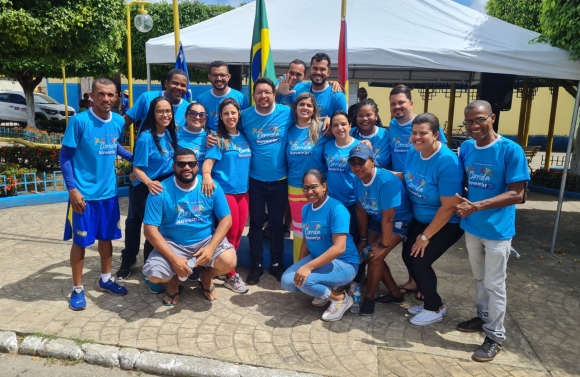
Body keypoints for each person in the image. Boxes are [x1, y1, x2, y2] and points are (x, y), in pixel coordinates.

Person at [455, 100, 529, 362]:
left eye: (479, 120)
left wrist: (477, 205)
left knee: (494, 284)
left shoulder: (510, 150)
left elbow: (518, 194)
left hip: (498, 230)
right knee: (478, 279)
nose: (474, 126)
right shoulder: (466, 147)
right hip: (472, 227)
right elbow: (462, 179)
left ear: (492, 118)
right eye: (469, 121)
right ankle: (483, 318)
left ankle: (495, 336)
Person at [59, 78, 133, 310]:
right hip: (84, 196)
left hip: (108, 194)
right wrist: (73, 190)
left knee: (106, 238)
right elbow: (65, 157)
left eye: (111, 95)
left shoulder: (119, 121)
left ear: (117, 97)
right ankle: (78, 289)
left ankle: (105, 279)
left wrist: (134, 158)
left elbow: (113, 145)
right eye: (101, 94)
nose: (106, 99)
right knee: (81, 242)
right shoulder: (80, 121)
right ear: (91, 95)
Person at [142, 148, 237, 305]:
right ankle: (173, 282)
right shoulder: (160, 191)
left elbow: (226, 219)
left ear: (197, 166)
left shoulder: (211, 187)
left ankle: (206, 277)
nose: (187, 167)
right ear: (174, 167)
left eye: (191, 163)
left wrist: (211, 247)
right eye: (181, 164)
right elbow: (149, 230)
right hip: (173, 243)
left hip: (205, 241)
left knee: (229, 261)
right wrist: (173, 259)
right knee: (154, 274)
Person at [402, 113, 464, 326]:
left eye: (423, 133)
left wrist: (425, 236)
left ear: (436, 135)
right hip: (421, 217)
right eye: (414, 133)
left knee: (420, 261)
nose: (417, 137)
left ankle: (434, 308)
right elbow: (406, 176)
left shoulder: (447, 162)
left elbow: (449, 206)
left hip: (446, 222)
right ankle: (431, 300)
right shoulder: (413, 151)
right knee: (408, 256)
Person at [388, 84, 447, 300]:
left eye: (401, 102)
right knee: (408, 243)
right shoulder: (393, 126)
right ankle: (414, 281)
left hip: (429, 193)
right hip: (407, 191)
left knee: (420, 249)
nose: (397, 106)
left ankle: (424, 286)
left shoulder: (425, 126)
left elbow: (441, 153)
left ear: (411, 103)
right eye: (393, 103)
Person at [116, 97, 178, 294]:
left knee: (159, 229)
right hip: (146, 187)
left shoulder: (169, 134)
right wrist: (149, 182)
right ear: (152, 113)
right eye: (160, 111)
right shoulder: (145, 138)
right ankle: (141, 267)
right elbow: (138, 168)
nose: (165, 115)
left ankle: (155, 266)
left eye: (168, 111)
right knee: (150, 229)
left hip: (162, 186)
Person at [281, 169, 360, 322]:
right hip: (318, 259)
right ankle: (324, 292)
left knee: (306, 281)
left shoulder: (337, 209)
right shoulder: (306, 209)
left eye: (314, 186)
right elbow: (306, 241)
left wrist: (308, 268)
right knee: (288, 281)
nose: (309, 191)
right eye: (306, 187)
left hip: (345, 263)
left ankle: (341, 298)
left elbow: (339, 247)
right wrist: (300, 266)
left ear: (324, 186)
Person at [239, 77, 294, 285]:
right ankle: (256, 265)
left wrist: (326, 120)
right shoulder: (245, 116)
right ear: (253, 96)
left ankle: (277, 263)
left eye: (267, 92)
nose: (263, 96)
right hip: (255, 181)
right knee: (255, 224)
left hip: (280, 181)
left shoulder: (286, 113)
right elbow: (228, 129)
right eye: (259, 92)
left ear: (274, 94)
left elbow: (311, 117)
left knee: (277, 225)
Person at [348, 143, 414, 316]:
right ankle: (396, 293)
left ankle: (369, 298)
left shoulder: (386, 181)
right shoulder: (357, 179)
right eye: (353, 163)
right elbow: (361, 210)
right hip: (376, 218)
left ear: (372, 160)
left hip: (399, 220)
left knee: (376, 257)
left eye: (361, 162)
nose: (357, 167)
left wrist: (383, 245)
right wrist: (363, 239)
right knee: (368, 253)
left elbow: (389, 218)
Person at [201, 98, 251, 294]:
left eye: (233, 112)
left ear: (239, 114)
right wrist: (206, 176)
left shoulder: (244, 136)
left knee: (239, 232)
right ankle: (230, 274)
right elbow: (208, 164)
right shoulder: (218, 138)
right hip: (226, 192)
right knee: (229, 233)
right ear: (220, 117)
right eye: (226, 113)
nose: (230, 116)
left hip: (243, 192)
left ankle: (225, 266)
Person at [286, 93, 330, 262]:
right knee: (298, 231)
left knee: (318, 230)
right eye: (302, 104)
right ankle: (298, 266)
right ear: (295, 108)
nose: (305, 108)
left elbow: (344, 133)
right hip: (295, 187)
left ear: (314, 110)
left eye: (309, 105)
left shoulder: (323, 128)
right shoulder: (288, 130)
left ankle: (319, 266)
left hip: (319, 188)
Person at [323, 111, 361, 252]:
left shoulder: (359, 147)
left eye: (344, 124)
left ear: (350, 125)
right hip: (333, 203)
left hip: (354, 203)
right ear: (331, 128)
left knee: (354, 241)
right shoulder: (327, 146)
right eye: (335, 125)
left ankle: (358, 273)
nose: (340, 128)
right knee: (336, 240)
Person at [124, 69, 190, 131]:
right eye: (175, 83)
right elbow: (125, 121)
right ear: (166, 83)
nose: (179, 87)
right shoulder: (147, 98)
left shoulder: (189, 109)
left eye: (183, 85)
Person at [286, 53, 347, 118]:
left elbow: (342, 122)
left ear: (328, 72)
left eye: (322, 69)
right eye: (315, 68)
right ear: (310, 70)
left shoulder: (337, 95)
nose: (318, 72)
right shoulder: (298, 88)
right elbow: (289, 114)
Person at [195, 61, 249, 131]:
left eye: (222, 75)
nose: (219, 78)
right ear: (209, 77)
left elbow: (245, 124)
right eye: (215, 75)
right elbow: (199, 124)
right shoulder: (201, 99)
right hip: (211, 140)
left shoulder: (241, 98)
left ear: (229, 77)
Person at [351, 98, 391, 169]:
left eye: (369, 115)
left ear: (376, 116)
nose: (365, 118)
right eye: (360, 116)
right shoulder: (349, 134)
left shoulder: (386, 135)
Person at [177, 102, 209, 169]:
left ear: (205, 118)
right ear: (185, 116)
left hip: (205, 177)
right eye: (193, 113)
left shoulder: (211, 136)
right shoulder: (175, 135)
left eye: (202, 115)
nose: (197, 117)